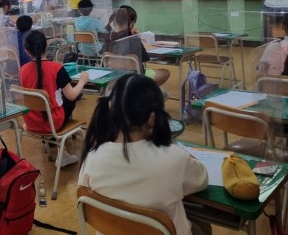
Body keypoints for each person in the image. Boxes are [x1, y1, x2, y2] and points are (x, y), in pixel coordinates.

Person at [78, 74, 210, 235]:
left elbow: (84, 191)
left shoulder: (92, 158)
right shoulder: (174, 158)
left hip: (113, 230)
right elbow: (202, 179)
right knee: (201, 224)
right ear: (152, 119)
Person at [19, 30, 89, 166]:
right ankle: (62, 153)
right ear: (46, 46)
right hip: (52, 123)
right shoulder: (56, 68)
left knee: (59, 98)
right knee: (69, 100)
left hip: (31, 122)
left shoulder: (22, 70)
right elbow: (72, 95)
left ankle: (53, 142)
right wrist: (82, 81)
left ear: (26, 51)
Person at [104, 8, 170, 86]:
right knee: (165, 72)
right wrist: (136, 36)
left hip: (114, 77)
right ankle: (145, 91)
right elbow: (145, 58)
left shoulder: (108, 37)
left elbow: (102, 54)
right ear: (131, 23)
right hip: (135, 77)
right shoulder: (133, 39)